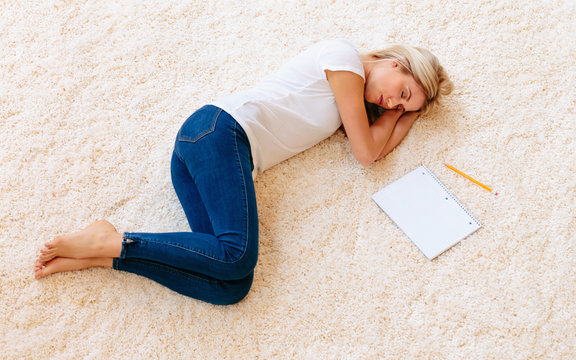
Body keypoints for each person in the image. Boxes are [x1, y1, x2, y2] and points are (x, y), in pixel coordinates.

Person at [34, 39, 453, 305]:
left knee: (231, 285)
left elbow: (373, 149)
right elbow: (367, 153)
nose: (392, 103)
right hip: (221, 131)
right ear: (396, 61)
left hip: (203, 153)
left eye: (400, 106)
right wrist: (409, 114)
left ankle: (105, 255)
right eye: (400, 92)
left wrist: (411, 112)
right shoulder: (345, 59)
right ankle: (116, 240)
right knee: (237, 255)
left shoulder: (355, 103)